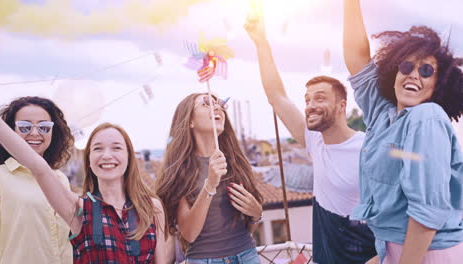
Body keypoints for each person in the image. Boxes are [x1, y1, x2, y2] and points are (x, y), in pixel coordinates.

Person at [245, 14, 376, 264]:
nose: (310, 105)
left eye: (320, 98)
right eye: (307, 99)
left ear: (342, 105)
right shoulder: (315, 142)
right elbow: (276, 96)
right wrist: (261, 43)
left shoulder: (367, 149)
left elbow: (393, 220)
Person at [343, 1, 463, 263]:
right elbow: (357, 59)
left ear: (439, 83)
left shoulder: (426, 118)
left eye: (426, 71)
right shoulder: (384, 115)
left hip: (427, 253)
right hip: (396, 248)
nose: (414, 75)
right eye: (406, 67)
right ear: (394, 72)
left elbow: (428, 212)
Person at [0, 115, 172, 264]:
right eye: (98, 149)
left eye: (116, 148)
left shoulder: (152, 207)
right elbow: (38, 167)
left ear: (129, 157)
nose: (107, 155)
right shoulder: (79, 209)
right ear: (89, 160)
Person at [156, 93, 263, 263]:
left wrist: (257, 214)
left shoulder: (236, 162)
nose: (217, 107)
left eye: (219, 104)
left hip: (247, 255)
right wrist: (210, 184)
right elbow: (189, 234)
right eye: (205, 104)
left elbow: (249, 226)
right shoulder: (180, 170)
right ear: (190, 121)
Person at [0, 96, 74, 264]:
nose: (35, 133)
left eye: (44, 127)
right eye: (25, 127)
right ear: (10, 131)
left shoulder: (60, 179)